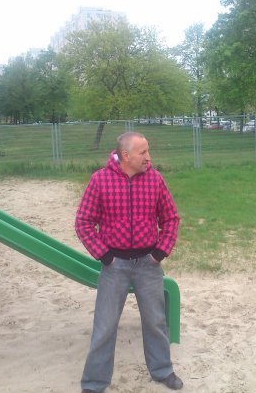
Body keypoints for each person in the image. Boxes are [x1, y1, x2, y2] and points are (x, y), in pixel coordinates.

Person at [75, 132, 183, 393]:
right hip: (114, 267)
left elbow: (171, 218)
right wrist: (104, 255)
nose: (148, 157)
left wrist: (160, 252)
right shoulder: (100, 180)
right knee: (105, 326)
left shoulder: (155, 180)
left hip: (148, 264)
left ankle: (162, 370)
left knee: (156, 321)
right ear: (125, 155)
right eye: (143, 152)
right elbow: (83, 222)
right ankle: (94, 383)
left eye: (148, 151)